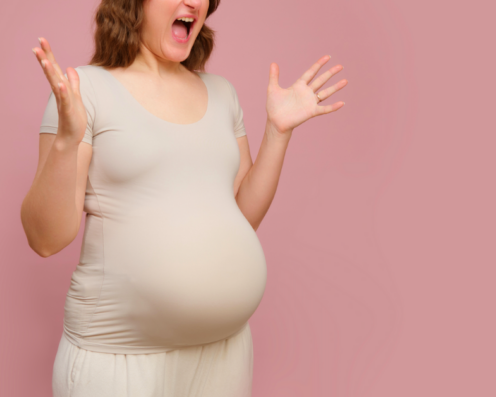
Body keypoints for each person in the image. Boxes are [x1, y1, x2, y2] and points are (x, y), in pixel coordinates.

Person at [20, 0, 346, 395]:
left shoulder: (221, 92)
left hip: (223, 354)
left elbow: (241, 216)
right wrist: (66, 143)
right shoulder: (84, 90)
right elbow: (45, 239)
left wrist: (278, 133)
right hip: (121, 358)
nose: (193, 2)